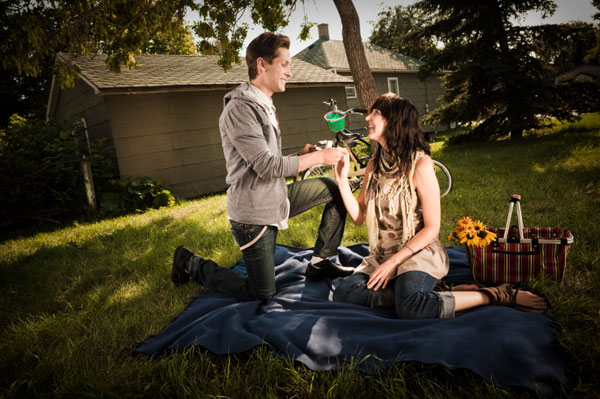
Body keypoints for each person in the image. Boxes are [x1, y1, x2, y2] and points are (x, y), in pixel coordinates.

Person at [170, 32, 353, 300]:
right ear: (261, 65)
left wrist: (300, 155)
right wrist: (320, 158)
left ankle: (320, 262)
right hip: (253, 214)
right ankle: (190, 263)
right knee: (262, 293)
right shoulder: (240, 108)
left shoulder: (264, 103)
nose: (289, 72)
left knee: (333, 188)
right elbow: (267, 166)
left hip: (275, 197)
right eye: (285, 64)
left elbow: (263, 161)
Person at [332, 93, 549, 318]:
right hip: (382, 254)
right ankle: (437, 293)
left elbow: (432, 228)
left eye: (376, 112)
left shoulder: (420, 164)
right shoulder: (373, 166)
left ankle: (494, 295)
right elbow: (359, 217)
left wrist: (394, 263)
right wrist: (341, 179)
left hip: (416, 252)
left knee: (410, 308)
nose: (368, 117)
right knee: (345, 293)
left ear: (395, 120)